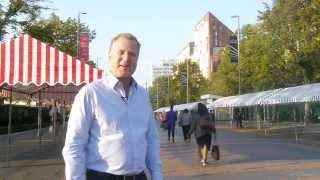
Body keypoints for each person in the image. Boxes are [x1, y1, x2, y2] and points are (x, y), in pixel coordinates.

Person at [62, 33, 162, 180]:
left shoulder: (143, 95)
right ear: (109, 55)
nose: (126, 58)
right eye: (121, 52)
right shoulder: (91, 93)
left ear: (137, 59)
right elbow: (74, 145)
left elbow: (151, 139)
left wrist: (157, 176)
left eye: (132, 54)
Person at [188, 103, 214, 167]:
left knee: (201, 146)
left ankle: (203, 159)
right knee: (206, 146)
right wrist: (213, 130)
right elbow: (212, 124)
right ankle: (204, 160)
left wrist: (189, 133)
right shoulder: (208, 115)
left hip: (199, 134)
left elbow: (193, 126)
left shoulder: (196, 116)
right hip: (208, 133)